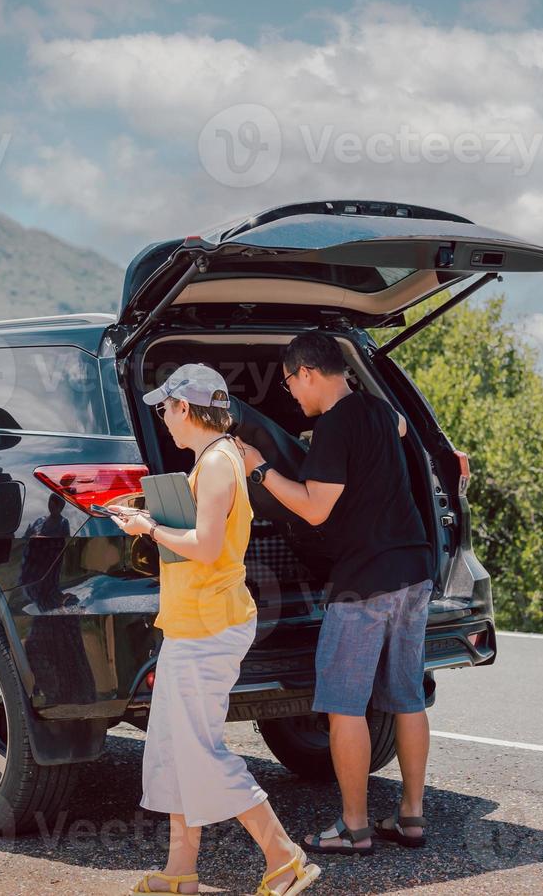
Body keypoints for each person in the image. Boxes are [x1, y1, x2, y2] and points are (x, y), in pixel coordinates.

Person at [112, 364, 320, 896]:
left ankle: (286, 857)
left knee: (199, 749)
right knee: (172, 747)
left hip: (209, 626)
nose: (162, 418)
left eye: (166, 408)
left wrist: (148, 527)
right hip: (193, 622)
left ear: (186, 408)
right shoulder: (211, 460)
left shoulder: (220, 464)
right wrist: (141, 510)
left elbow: (205, 547)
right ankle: (181, 870)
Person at [236, 332, 434, 857]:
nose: (292, 395)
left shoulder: (333, 426)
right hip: (414, 567)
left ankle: (354, 826)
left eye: (289, 383)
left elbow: (314, 508)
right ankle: (411, 817)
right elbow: (398, 426)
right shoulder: (374, 407)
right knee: (407, 697)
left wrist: (260, 467)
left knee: (345, 707)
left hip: (366, 579)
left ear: (306, 373)